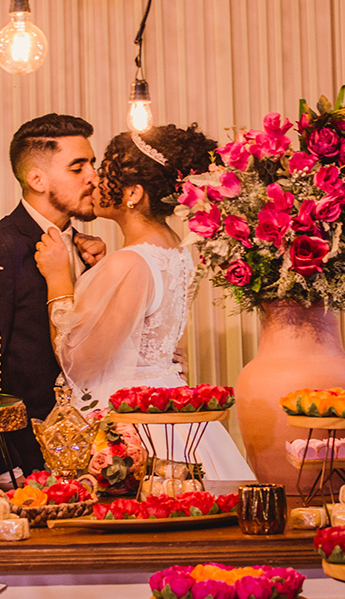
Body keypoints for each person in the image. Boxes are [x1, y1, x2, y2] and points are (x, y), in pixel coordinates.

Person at [34, 124, 255, 481]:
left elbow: (78, 362)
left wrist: (59, 278)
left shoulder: (129, 262)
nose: (92, 180)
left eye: (104, 172)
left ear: (133, 193)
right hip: (170, 404)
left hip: (138, 420)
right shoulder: (175, 251)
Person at [0, 113, 106, 483]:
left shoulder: (88, 247)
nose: (94, 177)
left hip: (85, 451)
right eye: (78, 167)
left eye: (93, 163)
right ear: (37, 179)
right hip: (17, 461)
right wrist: (7, 467)